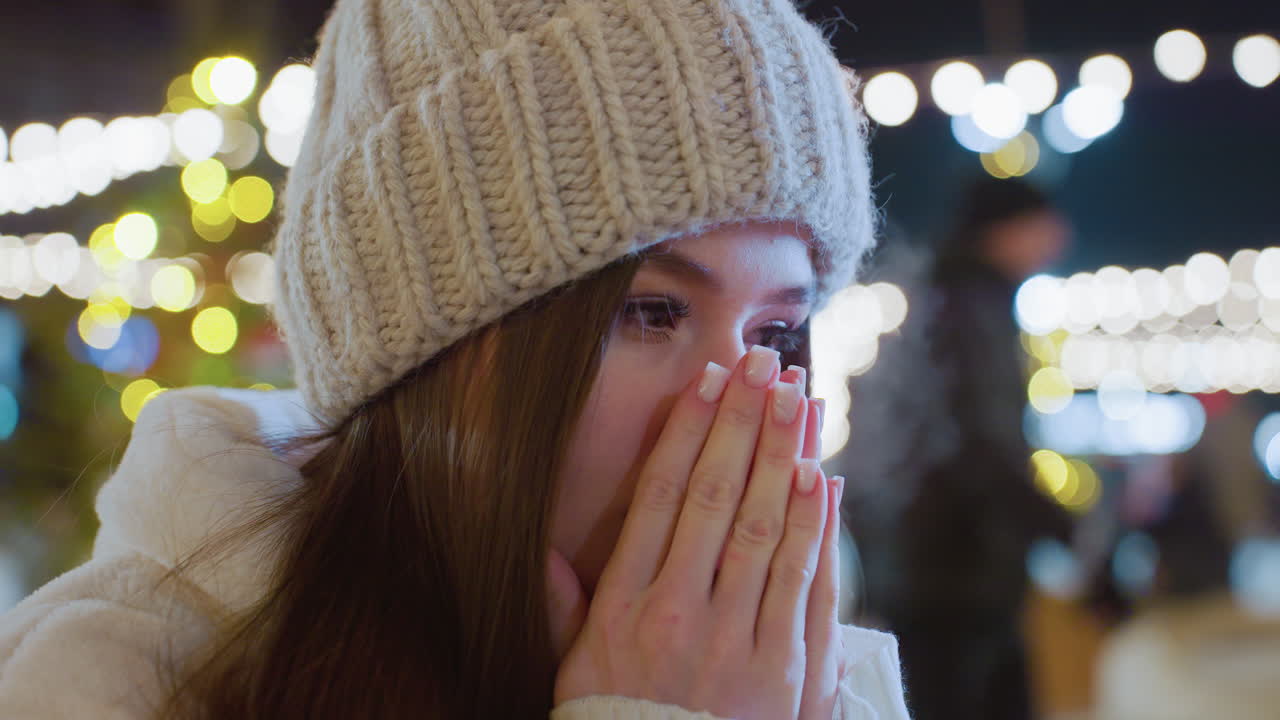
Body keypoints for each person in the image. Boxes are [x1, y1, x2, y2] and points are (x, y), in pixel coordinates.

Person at [0, 0, 911, 718]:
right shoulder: (105, 680)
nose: (733, 402)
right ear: (440, 351)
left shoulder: (791, 671)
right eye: (652, 312)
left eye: (772, 334)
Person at [834, 176, 1073, 719]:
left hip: (927, 568)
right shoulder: (969, 307)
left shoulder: (937, 297)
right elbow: (982, 444)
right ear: (1007, 230)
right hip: (956, 574)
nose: (1057, 240)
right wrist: (1065, 528)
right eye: (1044, 226)